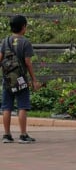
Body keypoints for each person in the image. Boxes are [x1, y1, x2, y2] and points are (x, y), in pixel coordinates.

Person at [0, 15, 41, 144]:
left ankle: (7, 135)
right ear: (23, 27)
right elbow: (28, 62)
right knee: (22, 106)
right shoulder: (25, 42)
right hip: (21, 80)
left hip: (7, 80)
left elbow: (0, 58)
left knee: (6, 107)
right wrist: (34, 80)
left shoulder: (5, 41)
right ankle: (23, 135)